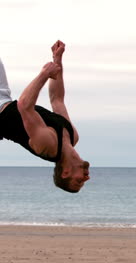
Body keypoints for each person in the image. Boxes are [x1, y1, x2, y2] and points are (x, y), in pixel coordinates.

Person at [0, 40, 90, 193]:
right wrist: (57, 60)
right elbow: (57, 99)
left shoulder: (47, 146)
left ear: (65, 172)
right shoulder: (73, 136)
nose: (86, 178)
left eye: (79, 181)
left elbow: (24, 105)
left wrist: (44, 74)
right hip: (4, 98)